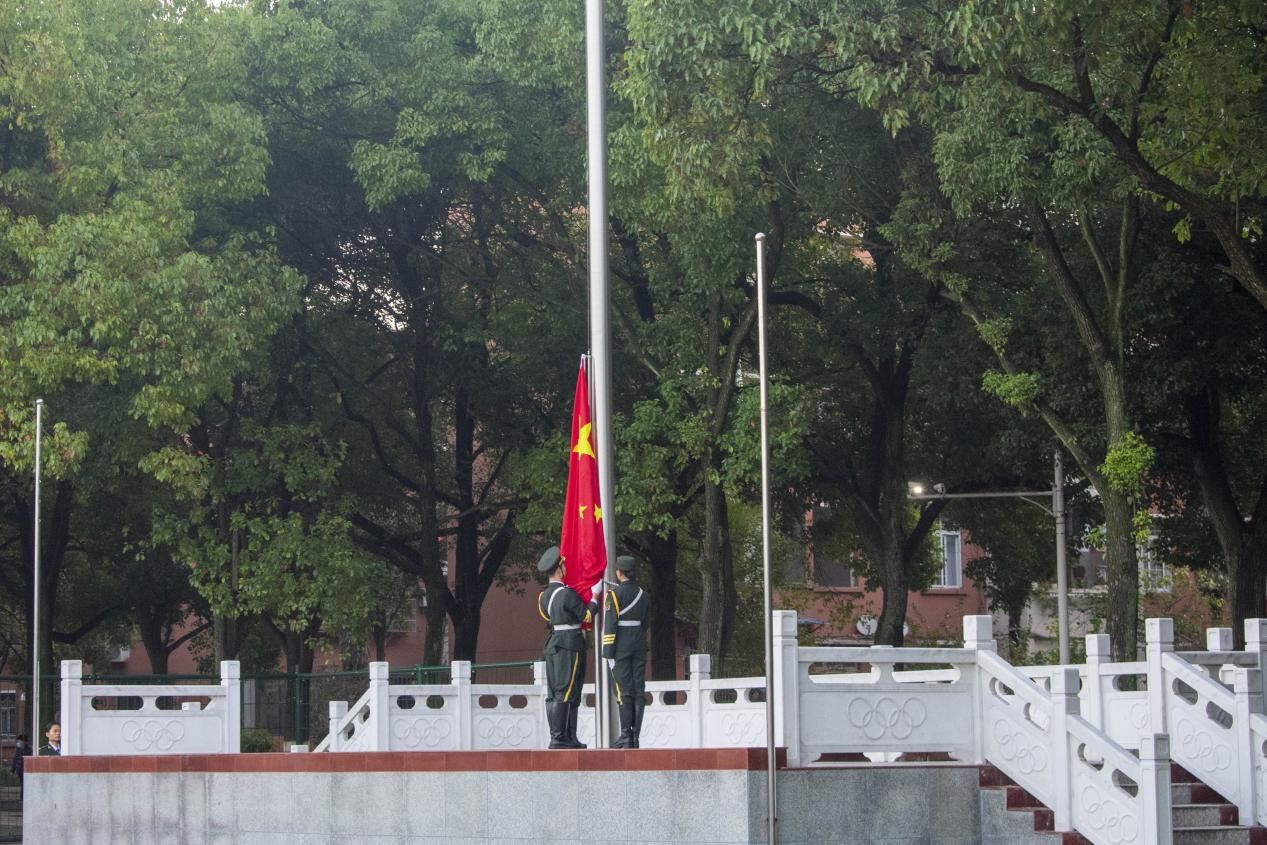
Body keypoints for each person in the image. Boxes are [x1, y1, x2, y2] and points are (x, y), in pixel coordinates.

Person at [537, 545, 600, 749]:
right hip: (569, 644)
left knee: (559, 691)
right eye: (563, 566)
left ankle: (568, 737)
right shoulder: (567, 594)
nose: (566, 569)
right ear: (559, 569)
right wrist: (595, 597)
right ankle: (558, 738)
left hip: (554, 642)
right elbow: (586, 616)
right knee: (566, 690)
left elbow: (547, 617)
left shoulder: (543, 597)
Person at [602, 555, 650, 748]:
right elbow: (646, 623)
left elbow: (610, 625)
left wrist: (608, 652)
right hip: (639, 644)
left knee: (623, 690)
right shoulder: (643, 595)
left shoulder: (614, 595)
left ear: (619, 573)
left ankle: (625, 736)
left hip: (620, 646)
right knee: (638, 690)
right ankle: (635, 737)